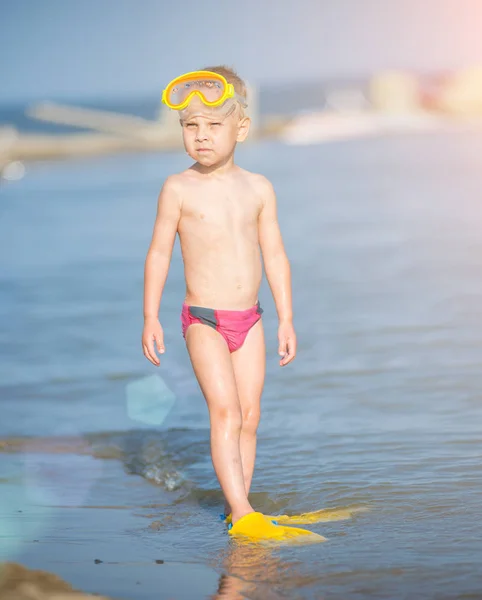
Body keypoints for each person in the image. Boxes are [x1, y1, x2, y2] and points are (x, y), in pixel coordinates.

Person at [142, 66, 323, 542]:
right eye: (189, 126)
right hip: (203, 319)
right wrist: (150, 317)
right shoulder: (178, 188)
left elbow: (276, 254)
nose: (200, 136)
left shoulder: (259, 188)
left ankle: (236, 506)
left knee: (249, 415)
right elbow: (159, 251)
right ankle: (243, 511)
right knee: (223, 410)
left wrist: (286, 318)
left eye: (212, 125)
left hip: (252, 318)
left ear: (240, 128)